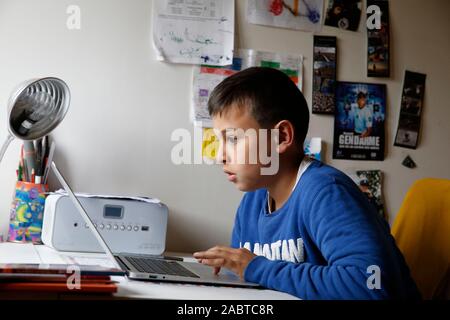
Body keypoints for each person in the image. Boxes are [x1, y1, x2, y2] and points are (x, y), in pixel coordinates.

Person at [193, 67, 420, 300]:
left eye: (232, 139)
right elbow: (249, 281)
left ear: (281, 137)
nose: (220, 155)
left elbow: (370, 284)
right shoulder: (251, 204)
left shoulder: (326, 193)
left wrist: (256, 268)